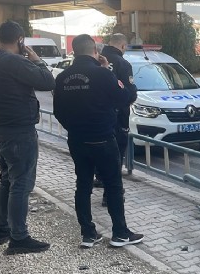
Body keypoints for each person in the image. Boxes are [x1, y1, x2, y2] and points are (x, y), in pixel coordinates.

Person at [0, 21, 55, 255]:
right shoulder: (14, 61)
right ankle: (19, 237)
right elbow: (48, 82)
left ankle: (2, 230)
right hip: (18, 130)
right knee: (21, 182)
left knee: (6, 179)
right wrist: (36, 59)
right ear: (20, 40)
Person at [53, 34, 143, 248]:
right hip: (103, 137)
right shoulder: (102, 74)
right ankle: (120, 233)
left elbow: (58, 112)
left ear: (74, 51)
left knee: (82, 185)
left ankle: (88, 234)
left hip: (77, 139)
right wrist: (107, 71)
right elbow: (127, 97)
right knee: (113, 184)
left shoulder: (63, 78)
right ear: (95, 50)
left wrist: (75, 128)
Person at [94, 34, 137, 208]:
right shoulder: (123, 64)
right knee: (116, 155)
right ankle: (110, 194)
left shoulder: (95, 61)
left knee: (98, 149)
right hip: (117, 117)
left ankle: (99, 178)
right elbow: (129, 94)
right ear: (123, 46)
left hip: (96, 116)